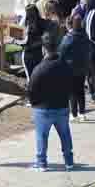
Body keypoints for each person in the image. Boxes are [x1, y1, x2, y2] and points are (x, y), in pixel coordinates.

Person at [29, 37, 74, 171]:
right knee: (65, 134)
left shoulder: (39, 69)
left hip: (43, 109)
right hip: (62, 107)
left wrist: (34, 103)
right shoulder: (65, 65)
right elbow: (71, 84)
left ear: (44, 49)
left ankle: (42, 163)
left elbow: (31, 90)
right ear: (57, 49)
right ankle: (69, 161)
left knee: (41, 137)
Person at [59, 15, 92, 122]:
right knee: (80, 90)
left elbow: (62, 51)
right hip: (82, 68)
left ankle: (73, 114)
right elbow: (89, 50)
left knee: (72, 92)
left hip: (71, 68)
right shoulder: (85, 36)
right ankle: (82, 113)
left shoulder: (69, 37)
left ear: (72, 24)